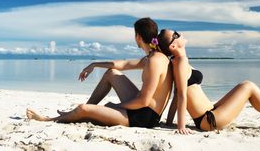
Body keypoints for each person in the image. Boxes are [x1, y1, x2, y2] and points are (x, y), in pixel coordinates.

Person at [26, 18, 173, 129]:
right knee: (112, 73)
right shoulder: (151, 57)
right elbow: (122, 64)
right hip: (143, 110)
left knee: (83, 108)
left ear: (138, 37)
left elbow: (144, 101)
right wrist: (94, 64)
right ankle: (81, 112)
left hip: (143, 118)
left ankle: (47, 119)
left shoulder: (155, 61)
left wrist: (116, 106)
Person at [157, 29, 260, 134]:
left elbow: (176, 95)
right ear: (173, 46)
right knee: (248, 86)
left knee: (244, 86)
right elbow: (181, 95)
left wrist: (169, 122)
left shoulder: (178, 62)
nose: (179, 33)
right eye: (175, 34)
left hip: (211, 112)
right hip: (209, 120)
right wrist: (181, 126)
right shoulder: (180, 63)